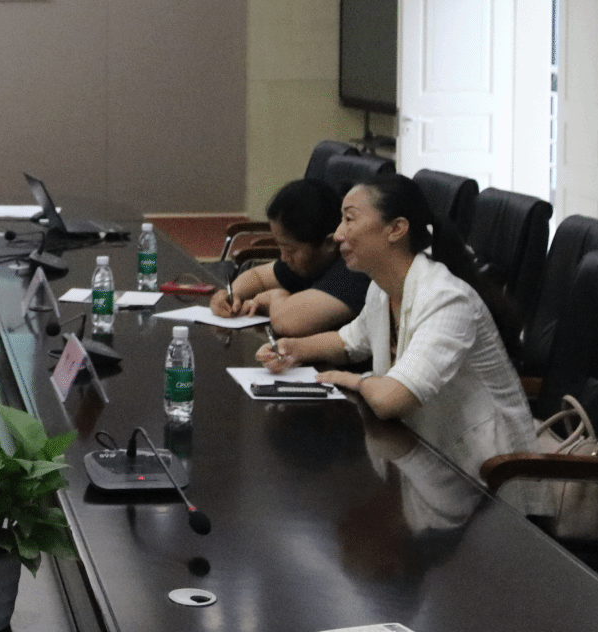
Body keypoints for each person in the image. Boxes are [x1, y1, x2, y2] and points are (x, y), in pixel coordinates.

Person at [257, 172, 535, 482]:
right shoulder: (383, 289)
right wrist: (292, 349)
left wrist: (353, 380)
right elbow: (349, 342)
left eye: (349, 220)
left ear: (396, 229)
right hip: (428, 459)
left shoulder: (446, 300)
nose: (337, 235)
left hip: (487, 476)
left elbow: (390, 400)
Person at [210, 178, 372, 335]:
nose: (284, 257)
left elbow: (287, 322)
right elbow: (258, 276)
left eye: (290, 249)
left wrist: (275, 297)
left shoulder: (356, 268)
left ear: (329, 243)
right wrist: (232, 297)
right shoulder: (310, 261)